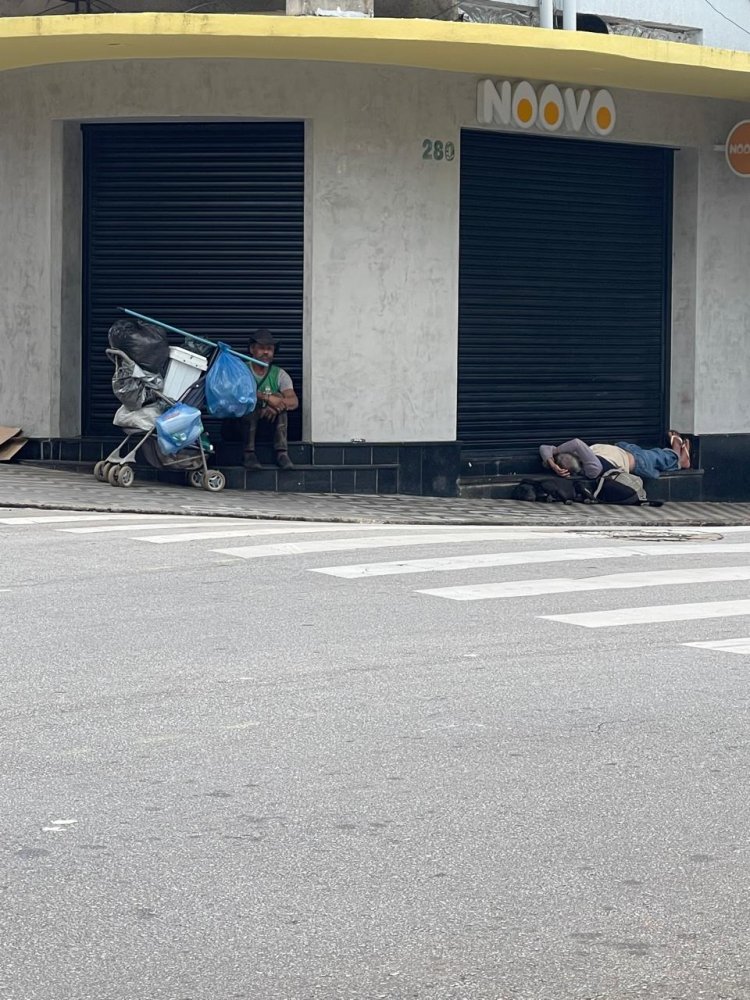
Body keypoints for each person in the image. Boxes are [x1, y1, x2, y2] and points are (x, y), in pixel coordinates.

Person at [241, 329, 298, 471]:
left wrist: (276, 405)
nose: (266, 352)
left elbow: (293, 401)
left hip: (266, 426)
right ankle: (249, 454)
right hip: (240, 426)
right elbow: (237, 395)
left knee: (281, 405)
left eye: (269, 349)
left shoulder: (279, 374)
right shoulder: (242, 369)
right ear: (252, 350)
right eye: (261, 348)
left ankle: (282, 454)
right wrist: (266, 397)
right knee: (251, 405)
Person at [539, 431, 691, 480]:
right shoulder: (593, 469)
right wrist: (557, 454)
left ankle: (678, 460)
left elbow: (544, 448)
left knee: (656, 455)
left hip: (624, 449)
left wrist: (552, 462)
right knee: (662, 456)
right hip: (638, 462)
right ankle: (678, 453)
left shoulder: (584, 456)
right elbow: (577, 443)